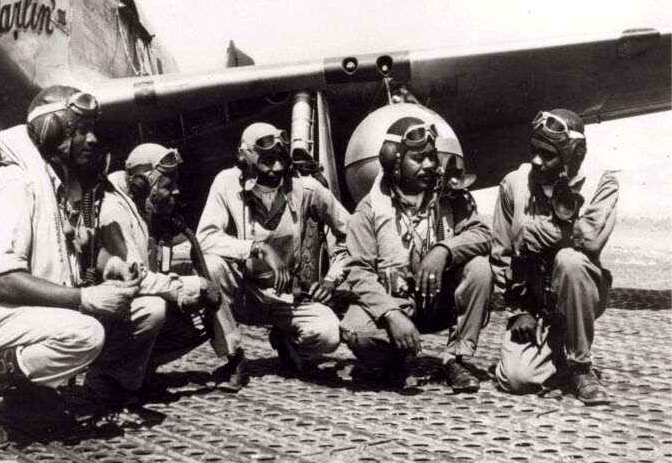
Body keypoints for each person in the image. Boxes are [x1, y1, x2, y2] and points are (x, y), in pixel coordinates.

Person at [0, 86, 145, 450]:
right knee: (84, 333)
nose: (93, 139)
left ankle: (30, 392)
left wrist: (113, 266)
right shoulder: (17, 184)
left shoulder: (52, 184)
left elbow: (72, 250)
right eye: (79, 129)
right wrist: (88, 297)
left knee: (119, 314)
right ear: (51, 130)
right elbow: (6, 283)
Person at [339, 117, 492, 390]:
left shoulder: (450, 196)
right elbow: (358, 271)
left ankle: (454, 360)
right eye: (419, 159)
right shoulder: (369, 210)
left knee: (479, 268)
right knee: (357, 333)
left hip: (438, 300)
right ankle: (393, 358)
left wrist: (444, 250)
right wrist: (390, 315)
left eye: (432, 157)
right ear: (395, 165)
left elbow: (482, 234)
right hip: (396, 301)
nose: (430, 165)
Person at [196, 122, 349, 391]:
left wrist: (332, 280)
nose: (277, 169)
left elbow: (352, 232)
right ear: (245, 160)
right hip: (243, 291)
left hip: (288, 293)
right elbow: (204, 238)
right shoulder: (225, 183)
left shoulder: (307, 188)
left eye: (281, 160)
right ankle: (235, 358)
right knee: (210, 265)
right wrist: (257, 248)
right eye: (267, 161)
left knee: (329, 335)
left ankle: (286, 339)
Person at [491, 109, 618, 405]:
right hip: (531, 300)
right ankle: (555, 354)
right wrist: (518, 310)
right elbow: (500, 254)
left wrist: (539, 233)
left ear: (574, 155)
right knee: (516, 380)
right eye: (533, 151)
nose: (536, 161)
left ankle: (581, 368)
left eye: (547, 155)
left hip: (578, 292)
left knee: (570, 260)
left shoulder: (602, 182)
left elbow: (591, 238)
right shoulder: (514, 183)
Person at [97, 143, 221, 381]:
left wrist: (185, 298)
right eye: (168, 185)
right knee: (154, 309)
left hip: (129, 306)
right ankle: (108, 376)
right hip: (110, 311)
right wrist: (194, 286)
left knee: (203, 317)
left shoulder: (141, 205)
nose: (176, 192)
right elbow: (137, 280)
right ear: (143, 183)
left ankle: (137, 367)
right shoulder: (115, 211)